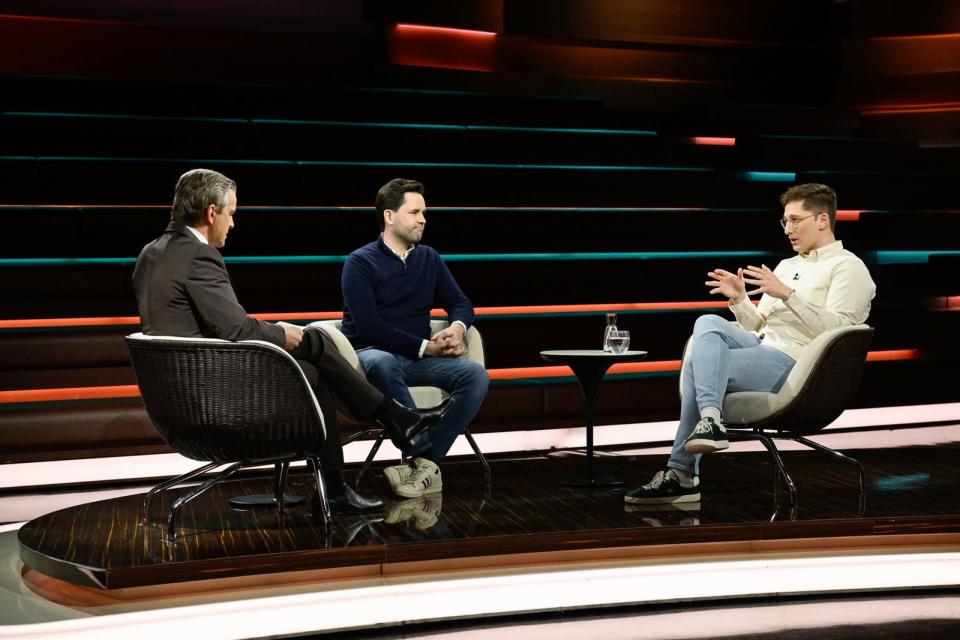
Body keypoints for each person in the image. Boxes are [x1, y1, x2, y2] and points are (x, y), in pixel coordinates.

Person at [132, 168, 452, 514]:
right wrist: (283, 334)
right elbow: (236, 330)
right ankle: (379, 435)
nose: (232, 224)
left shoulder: (151, 253)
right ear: (211, 213)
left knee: (312, 354)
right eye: (231, 214)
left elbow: (210, 325)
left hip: (182, 393)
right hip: (217, 395)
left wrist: (276, 332)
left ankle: (378, 440)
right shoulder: (199, 255)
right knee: (313, 361)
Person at [625, 183, 876, 505]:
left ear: (823, 220)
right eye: (784, 221)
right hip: (762, 345)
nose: (788, 229)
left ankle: (682, 473)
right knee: (708, 322)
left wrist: (789, 295)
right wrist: (741, 300)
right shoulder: (788, 266)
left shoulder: (848, 267)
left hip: (796, 361)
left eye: (796, 220)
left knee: (695, 367)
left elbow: (841, 331)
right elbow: (758, 326)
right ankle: (709, 422)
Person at [340, 178, 490, 499]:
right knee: (381, 360)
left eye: (424, 212)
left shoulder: (429, 258)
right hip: (369, 357)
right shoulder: (360, 262)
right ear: (389, 216)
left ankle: (424, 464)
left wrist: (457, 328)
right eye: (415, 212)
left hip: (415, 362)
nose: (423, 219)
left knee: (475, 375)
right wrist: (426, 345)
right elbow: (368, 326)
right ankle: (421, 452)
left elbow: (461, 303)